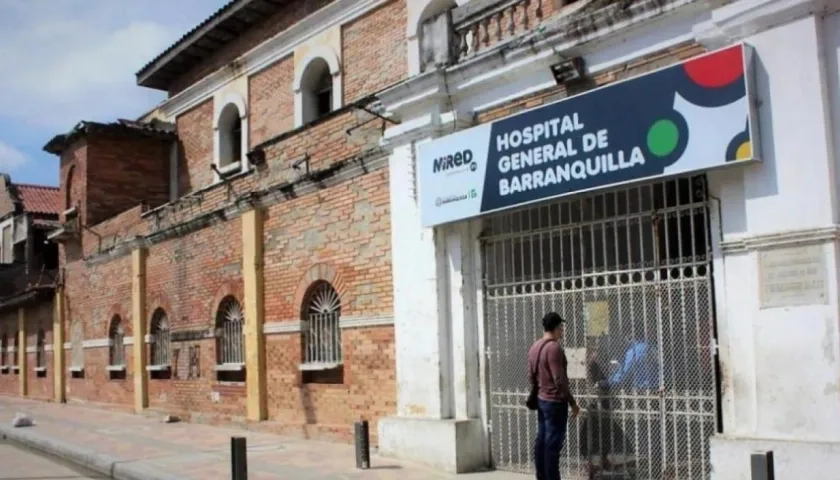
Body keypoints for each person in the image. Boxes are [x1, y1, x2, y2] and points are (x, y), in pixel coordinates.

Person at [527, 312, 581, 480]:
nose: (562, 331)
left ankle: (541, 476)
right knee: (553, 445)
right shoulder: (554, 348)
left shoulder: (535, 347)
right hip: (555, 402)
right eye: (561, 328)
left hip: (542, 400)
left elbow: (530, 375)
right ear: (556, 328)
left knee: (542, 441)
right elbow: (559, 379)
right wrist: (572, 402)